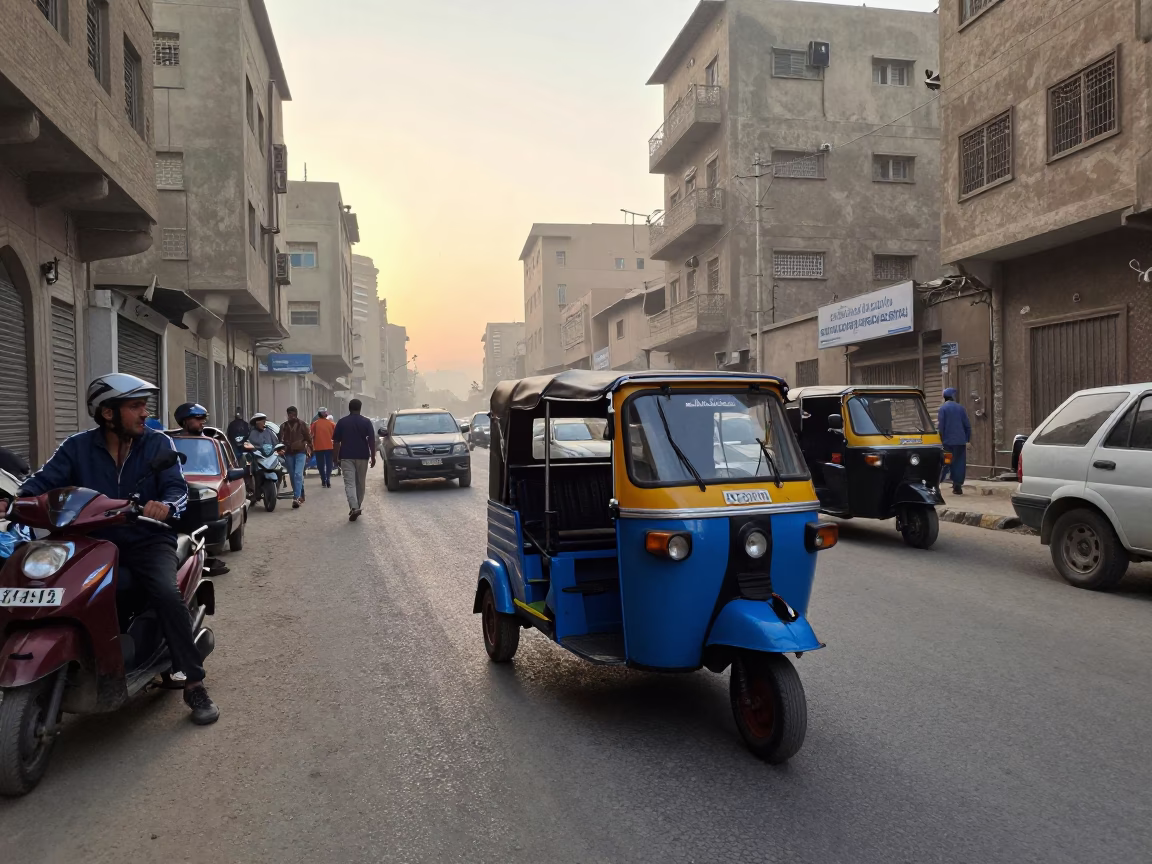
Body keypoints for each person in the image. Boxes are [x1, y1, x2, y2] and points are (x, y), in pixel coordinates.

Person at [4, 374, 219, 724]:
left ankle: (194, 682)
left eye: (143, 406)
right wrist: (13, 501)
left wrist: (164, 505)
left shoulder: (158, 444)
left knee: (166, 593)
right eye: (135, 406)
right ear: (107, 413)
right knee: (49, 588)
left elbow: (176, 489)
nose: (143, 413)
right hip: (89, 541)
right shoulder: (77, 446)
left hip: (147, 539)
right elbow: (41, 483)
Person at [171, 403, 229, 577]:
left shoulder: (208, 443)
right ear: (185, 421)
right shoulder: (172, 443)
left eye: (203, 420)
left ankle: (202, 558)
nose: (202, 423)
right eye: (198, 420)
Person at [332, 398, 377, 521]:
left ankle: (354, 506)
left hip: (346, 456)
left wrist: (335, 457)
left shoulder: (341, 422)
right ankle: (357, 506)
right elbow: (372, 441)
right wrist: (373, 456)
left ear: (349, 408)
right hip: (363, 456)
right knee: (360, 483)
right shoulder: (366, 422)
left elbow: (336, 442)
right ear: (360, 408)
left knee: (349, 483)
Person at [938, 387, 971, 495]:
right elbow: (967, 425)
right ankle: (957, 486)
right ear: (953, 396)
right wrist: (967, 439)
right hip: (960, 442)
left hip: (947, 442)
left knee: (945, 463)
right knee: (959, 463)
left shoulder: (942, 409)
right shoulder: (961, 408)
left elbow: (941, 427)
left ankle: (937, 485)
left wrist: (940, 440)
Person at [279, 406, 312, 508]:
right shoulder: (283, 426)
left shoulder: (302, 424)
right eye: (289, 414)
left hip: (300, 452)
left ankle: (296, 497)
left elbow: (308, 438)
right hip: (288, 453)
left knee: (298, 474)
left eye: (293, 413)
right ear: (287, 414)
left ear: (296, 414)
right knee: (293, 476)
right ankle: (300, 494)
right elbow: (280, 439)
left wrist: (311, 450)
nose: (291, 416)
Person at [310, 408, 337, 488]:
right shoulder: (332, 424)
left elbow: (311, 435)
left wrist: (311, 446)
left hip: (318, 447)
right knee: (329, 464)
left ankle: (323, 479)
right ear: (326, 414)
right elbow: (336, 436)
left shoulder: (314, 424)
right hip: (329, 447)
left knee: (320, 465)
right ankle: (328, 479)